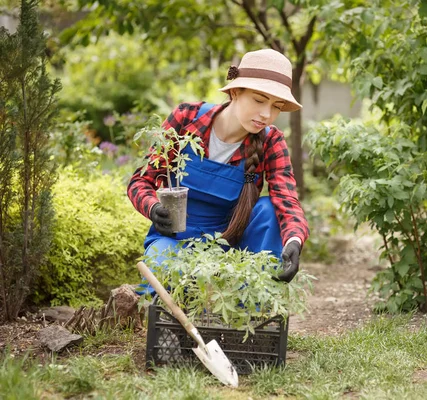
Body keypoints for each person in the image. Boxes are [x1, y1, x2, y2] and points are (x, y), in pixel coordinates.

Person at [128, 49, 309, 294]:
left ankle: (254, 311)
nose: (266, 114)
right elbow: (141, 181)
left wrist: (294, 241)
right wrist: (153, 207)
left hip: (232, 247)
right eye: (258, 100)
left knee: (269, 209)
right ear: (235, 91)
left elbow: (286, 200)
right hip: (173, 240)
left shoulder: (270, 141)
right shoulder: (186, 119)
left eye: (276, 106)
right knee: (163, 279)